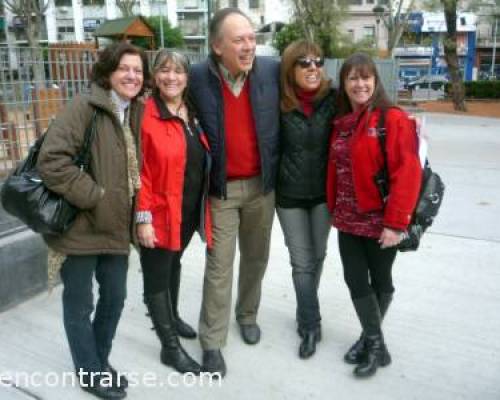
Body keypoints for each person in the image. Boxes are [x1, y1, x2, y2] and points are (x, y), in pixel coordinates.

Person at [37, 42, 150, 399]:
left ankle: (97, 360)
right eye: (124, 69)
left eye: (138, 70)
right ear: (108, 73)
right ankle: (90, 371)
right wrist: (96, 197)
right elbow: (52, 160)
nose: (132, 76)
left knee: (115, 299)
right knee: (80, 304)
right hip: (80, 228)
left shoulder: (135, 111)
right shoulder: (84, 107)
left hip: (116, 229)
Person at [188, 7, 280, 377]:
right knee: (218, 266)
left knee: (256, 259)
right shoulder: (196, 77)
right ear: (216, 46)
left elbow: (312, 86)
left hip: (262, 187)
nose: (248, 46)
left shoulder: (271, 70)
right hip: (221, 191)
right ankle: (211, 341)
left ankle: (247, 315)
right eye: (238, 39)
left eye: (252, 38)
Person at [326, 52, 422, 378]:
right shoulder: (341, 122)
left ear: (375, 81)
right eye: (352, 78)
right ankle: (373, 340)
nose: (359, 84)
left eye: (365, 77)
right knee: (354, 279)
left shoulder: (391, 118)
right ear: (344, 83)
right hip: (347, 217)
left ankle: (372, 342)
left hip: (381, 220)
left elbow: (407, 172)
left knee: (380, 280)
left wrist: (397, 224)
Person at [135, 50, 212, 375]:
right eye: (164, 71)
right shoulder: (145, 114)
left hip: (186, 210)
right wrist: (144, 219)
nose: (171, 77)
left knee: (174, 263)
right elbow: (139, 172)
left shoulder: (189, 110)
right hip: (158, 213)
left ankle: (173, 315)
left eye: (178, 71)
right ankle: (170, 347)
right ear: (154, 77)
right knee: (156, 275)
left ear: (186, 77)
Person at [276, 40, 335, 359]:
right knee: (301, 262)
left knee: (318, 256)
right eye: (304, 63)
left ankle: (305, 309)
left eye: (318, 61)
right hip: (290, 196)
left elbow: (370, 108)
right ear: (290, 68)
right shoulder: (278, 102)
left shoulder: (334, 99)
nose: (313, 68)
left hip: (324, 196)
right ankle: (310, 324)